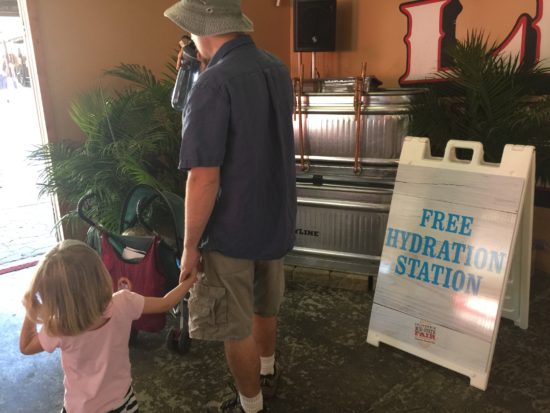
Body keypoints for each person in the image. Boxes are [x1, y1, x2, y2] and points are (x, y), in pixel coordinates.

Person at [164, 1, 297, 412]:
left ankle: (250, 405)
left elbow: (203, 176)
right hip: (274, 217)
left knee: (233, 325)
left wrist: (189, 247)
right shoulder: (274, 67)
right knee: (264, 304)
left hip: (231, 229)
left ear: (200, 27)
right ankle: (269, 371)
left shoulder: (213, 84)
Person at [19, 239, 198, 413]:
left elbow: (26, 346)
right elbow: (166, 303)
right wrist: (190, 279)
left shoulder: (60, 326)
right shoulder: (123, 302)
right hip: (121, 399)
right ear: (100, 273)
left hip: (81, 408)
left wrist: (31, 306)